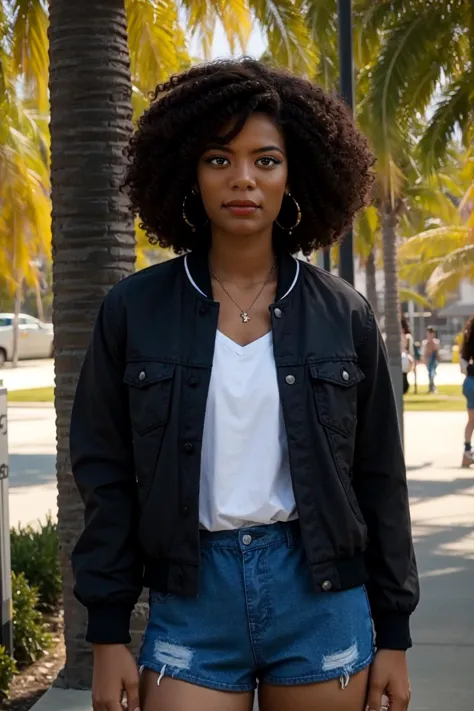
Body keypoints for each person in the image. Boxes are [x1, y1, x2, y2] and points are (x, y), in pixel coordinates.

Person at [70, 59, 419, 711]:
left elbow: (380, 476)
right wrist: (110, 632)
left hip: (319, 593)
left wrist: (394, 631)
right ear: (187, 172)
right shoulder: (134, 310)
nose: (243, 180)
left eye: (265, 160)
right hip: (191, 593)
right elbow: (105, 473)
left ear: (296, 176)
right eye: (218, 159)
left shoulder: (343, 313)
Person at [460, 315, 474, 467]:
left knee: (471, 420)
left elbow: (463, 361)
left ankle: (467, 452)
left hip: (470, 382)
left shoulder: (469, 337)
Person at [422, 326, 440, 393]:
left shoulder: (436, 342)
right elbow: (424, 353)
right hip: (428, 359)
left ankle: (432, 387)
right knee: (430, 373)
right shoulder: (425, 342)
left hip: (433, 360)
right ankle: (431, 387)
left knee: (432, 373)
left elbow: (437, 352)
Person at [401, 319, 414, 395]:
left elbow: (409, 349)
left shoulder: (407, 337)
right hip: (403, 358)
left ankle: (404, 388)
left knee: (404, 374)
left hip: (405, 358)